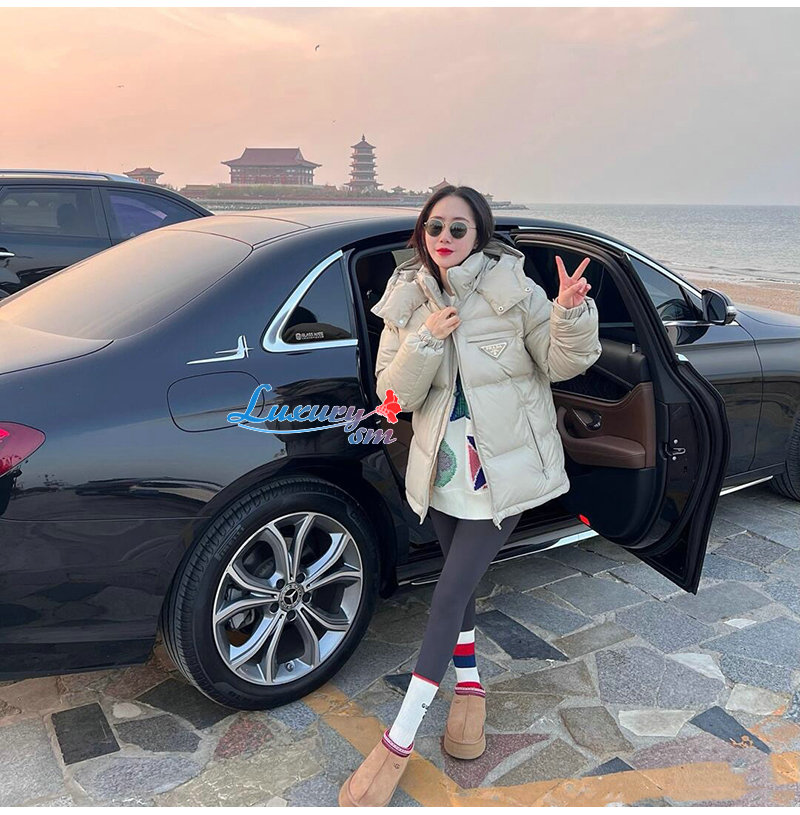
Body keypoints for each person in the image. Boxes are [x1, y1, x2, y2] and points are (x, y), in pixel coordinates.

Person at [338, 186, 602, 807]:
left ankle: (399, 741)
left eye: (459, 228)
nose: (445, 239)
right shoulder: (405, 298)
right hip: (441, 468)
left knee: (448, 594)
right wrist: (426, 339)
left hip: (502, 471)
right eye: (435, 227)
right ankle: (471, 689)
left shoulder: (514, 288)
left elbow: (561, 364)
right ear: (422, 233)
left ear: (479, 234)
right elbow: (392, 398)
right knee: (458, 589)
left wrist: (568, 313)